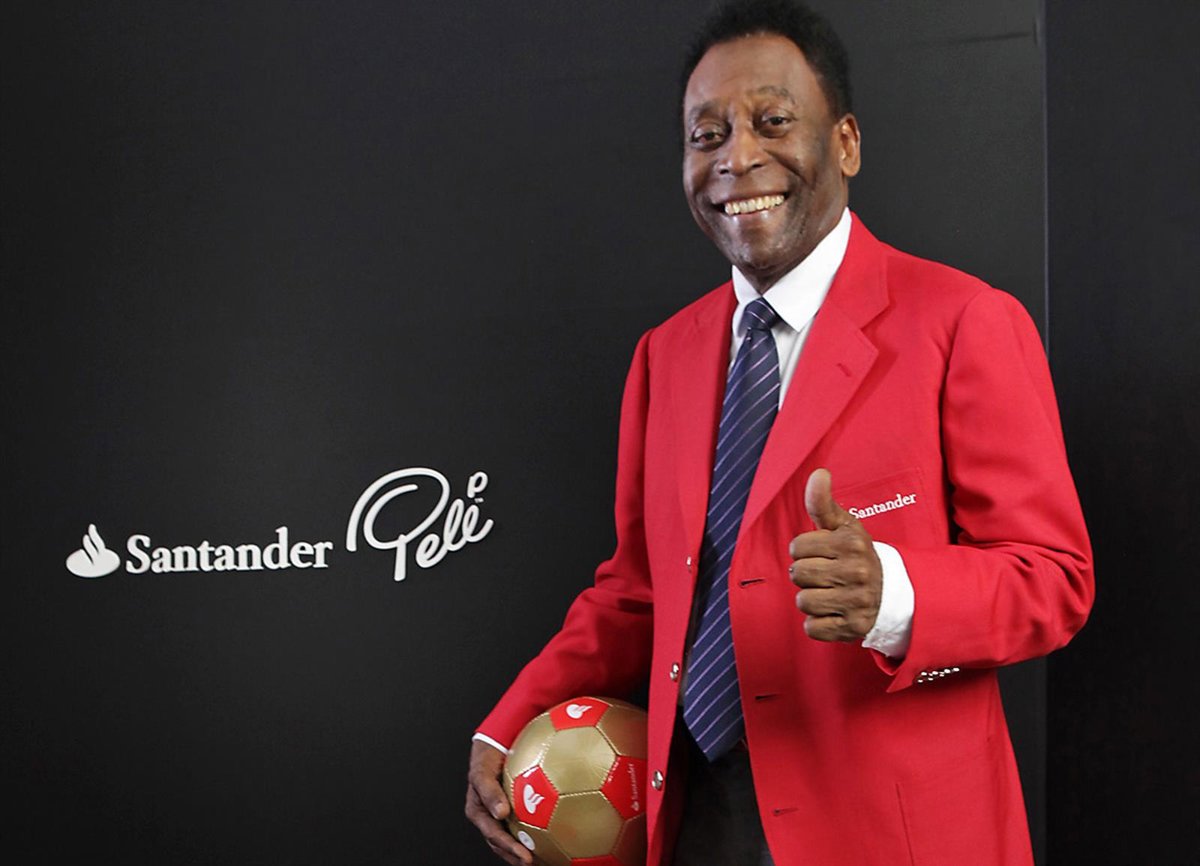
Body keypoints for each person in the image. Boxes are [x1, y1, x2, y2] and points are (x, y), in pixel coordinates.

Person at [464, 1, 1094, 864]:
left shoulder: (963, 322)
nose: (736, 157)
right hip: (699, 820)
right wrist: (506, 728)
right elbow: (640, 593)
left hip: (891, 834)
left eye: (772, 123)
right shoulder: (664, 355)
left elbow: (1054, 580)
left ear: (846, 143)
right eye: (707, 135)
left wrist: (894, 595)